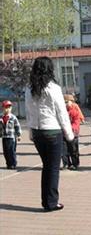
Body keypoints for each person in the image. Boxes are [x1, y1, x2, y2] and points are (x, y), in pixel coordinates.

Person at [25, 56, 74, 212]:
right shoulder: (53, 88)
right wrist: (69, 135)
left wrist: (31, 131)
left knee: (47, 167)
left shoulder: (29, 88)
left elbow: (28, 112)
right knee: (52, 168)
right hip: (52, 131)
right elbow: (62, 113)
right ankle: (51, 202)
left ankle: (47, 201)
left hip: (38, 132)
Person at [61, 95, 81, 170]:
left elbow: (76, 121)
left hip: (73, 133)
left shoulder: (74, 111)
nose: (65, 103)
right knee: (64, 150)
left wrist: (71, 128)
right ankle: (66, 163)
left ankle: (75, 163)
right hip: (63, 133)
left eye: (67, 102)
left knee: (73, 149)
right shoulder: (62, 112)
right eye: (64, 102)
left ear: (72, 102)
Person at [0, 101, 21, 170]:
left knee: (11, 151)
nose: (7, 109)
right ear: (2, 108)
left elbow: (17, 126)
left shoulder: (13, 117)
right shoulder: (1, 118)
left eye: (9, 107)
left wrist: (18, 135)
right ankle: (8, 164)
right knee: (5, 151)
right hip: (4, 137)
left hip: (11, 137)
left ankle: (13, 164)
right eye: (6, 107)